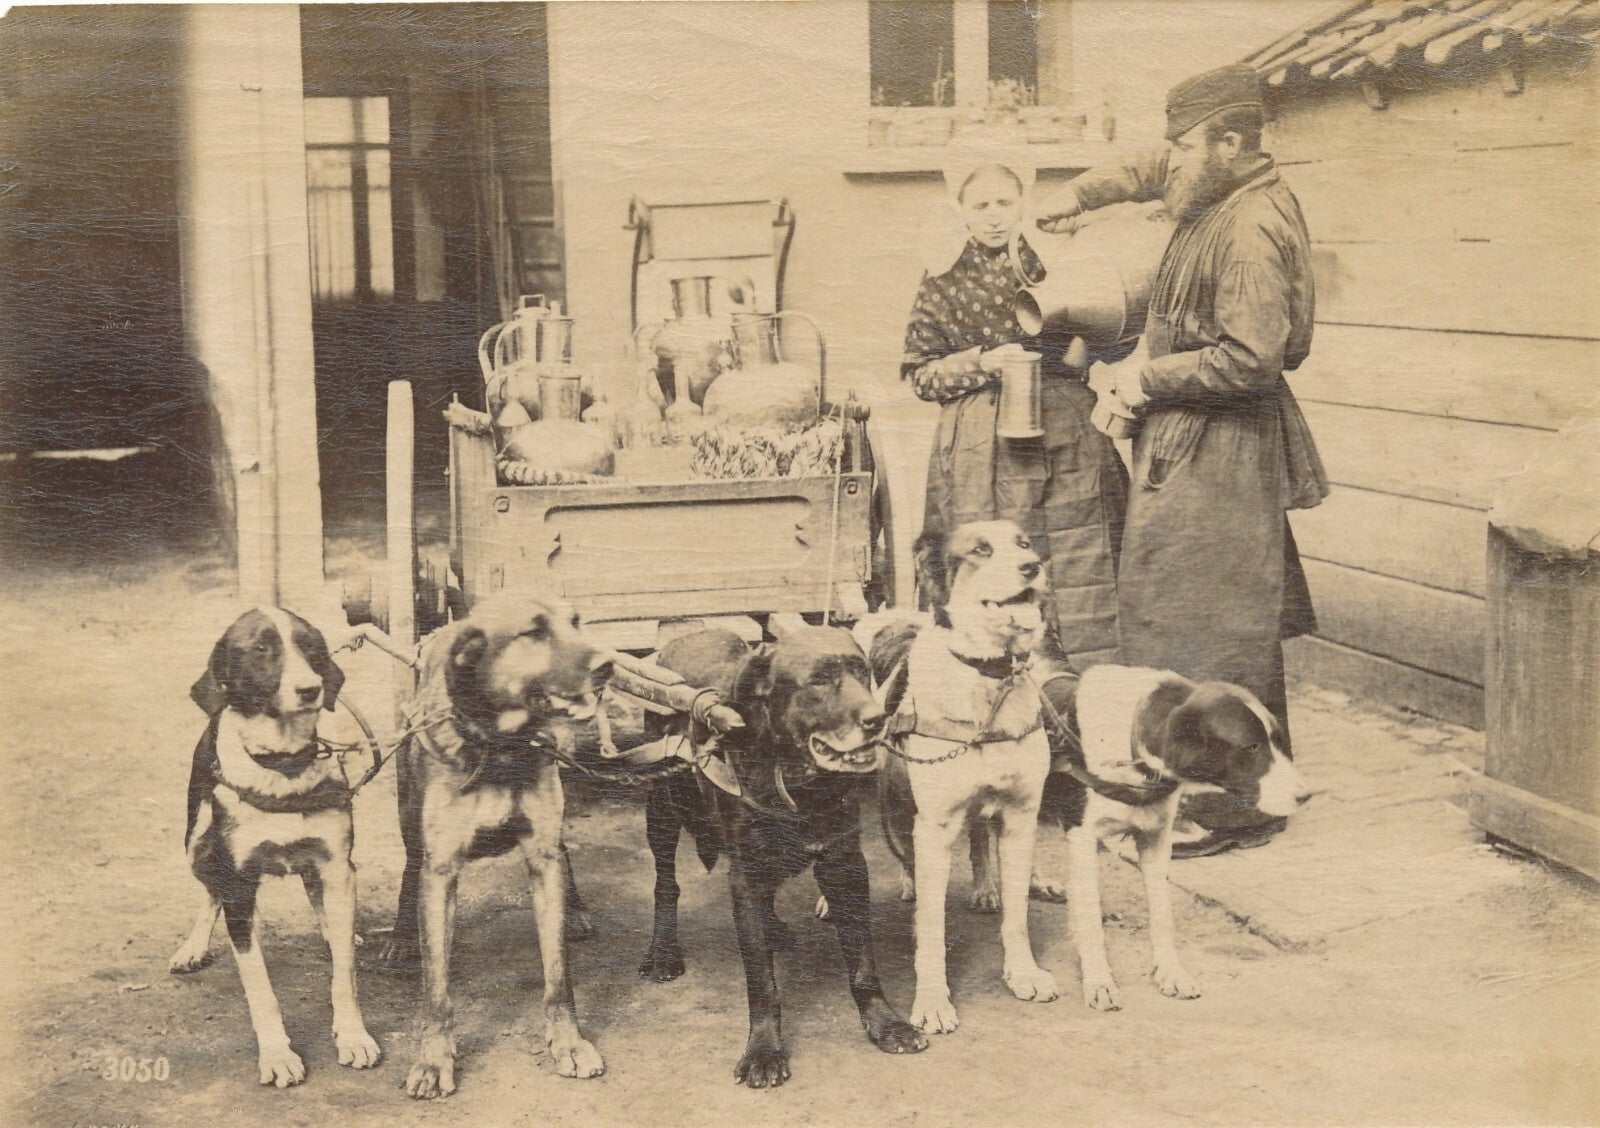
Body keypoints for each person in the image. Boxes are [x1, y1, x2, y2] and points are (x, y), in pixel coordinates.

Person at [1035, 63, 1328, 857]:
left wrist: (1141, 375)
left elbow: (1252, 360)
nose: (1171, 162)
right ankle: (1265, 785)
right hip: (1195, 439)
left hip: (1223, 446)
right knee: (1212, 616)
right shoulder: (1217, 187)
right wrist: (1077, 194)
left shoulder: (1248, 228)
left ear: (1231, 142)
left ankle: (1232, 812)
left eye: (1185, 146)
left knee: (1209, 624)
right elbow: (1147, 166)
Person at [903, 145, 1128, 670]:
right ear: (960, 207)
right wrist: (982, 361)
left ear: (1022, 202)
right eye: (980, 205)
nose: (994, 215)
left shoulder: (1053, 258)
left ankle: (1088, 686)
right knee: (992, 566)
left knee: (1083, 554)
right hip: (981, 446)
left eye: (1004, 202)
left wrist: (1086, 346)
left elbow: (1105, 330)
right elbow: (920, 375)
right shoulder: (943, 275)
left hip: (1067, 431)